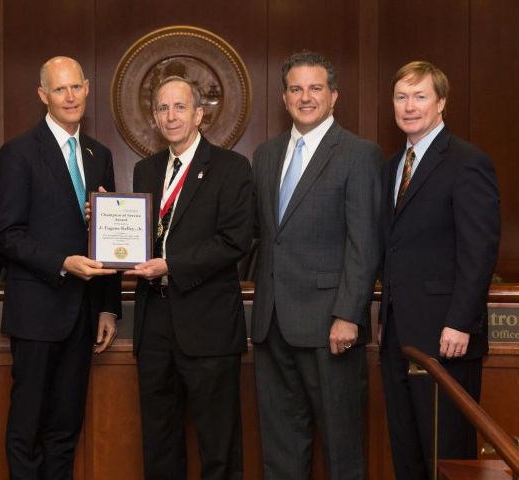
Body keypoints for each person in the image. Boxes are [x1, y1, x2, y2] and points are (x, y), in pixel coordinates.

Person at [250, 51, 382, 480]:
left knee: (342, 449)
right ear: (284, 98)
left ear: (334, 96)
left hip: (330, 327)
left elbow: (364, 243)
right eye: (295, 89)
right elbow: (263, 235)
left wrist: (348, 314)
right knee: (282, 450)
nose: (305, 97)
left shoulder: (359, 154)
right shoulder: (266, 155)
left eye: (315, 88)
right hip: (272, 325)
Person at [0, 56, 120, 479]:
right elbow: (7, 234)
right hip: (36, 311)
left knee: (66, 429)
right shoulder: (18, 152)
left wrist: (106, 307)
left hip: (82, 315)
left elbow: (110, 242)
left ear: (87, 88)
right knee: (27, 429)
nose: (70, 97)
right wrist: (61, 263)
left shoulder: (98, 154)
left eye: (76, 87)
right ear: (43, 95)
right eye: (60, 89)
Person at [379, 61, 500, 480]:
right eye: (401, 97)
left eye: (420, 96)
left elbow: (479, 249)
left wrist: (460, 322)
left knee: (446, 455)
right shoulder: (392, 165)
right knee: (406, 450)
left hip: (447, 336)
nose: (409, 106)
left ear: (442, 102)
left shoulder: (467, 162)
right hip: (398, 334)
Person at [126, 76, 252, 480]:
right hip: (155, 325)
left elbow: (235, 241)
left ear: (199, 114)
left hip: (208, 326)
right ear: (155, 118)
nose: (171, 116)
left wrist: (171, 266)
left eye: (180, 107)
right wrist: (109, 226)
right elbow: (143, 236)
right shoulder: (145, 171)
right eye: (162, 108)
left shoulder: (231, 168)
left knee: (218, 447)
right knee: (159, 443)